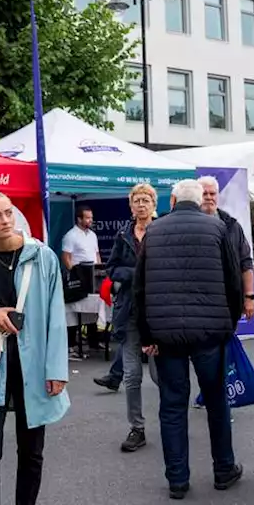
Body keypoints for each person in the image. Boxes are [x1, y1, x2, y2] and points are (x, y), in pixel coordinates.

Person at [0, 191, 69, 505]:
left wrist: (57, 369)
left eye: (8, 212)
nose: (6, 220)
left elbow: (56, 317)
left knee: (32, 452)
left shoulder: (42, 256)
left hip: (33, 365)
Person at [135, 179, 243, 500]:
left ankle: (177, 479)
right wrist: (230, 323)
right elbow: (233, 281)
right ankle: (224, 469)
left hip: (166, 336)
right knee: (216, 402)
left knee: (172, 406)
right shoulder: (218, 229)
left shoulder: (153, 231)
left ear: (171, 200)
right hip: (210, 333)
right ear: (199, 201)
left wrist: (146, 334)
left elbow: (139, 288)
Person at [94, 183, 161, 453]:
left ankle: (172, 420)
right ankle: (137, 427)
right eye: (137, 201)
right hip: (129, 312)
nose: (141, 205)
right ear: (131, 206)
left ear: (154, 204)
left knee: (160, 374)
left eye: (146, 200)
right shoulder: (123, 233)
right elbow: (112, 267)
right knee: (132, 375)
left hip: (158, 313)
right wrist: (135, 275)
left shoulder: (161, 231)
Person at [199, 177, 254, 324]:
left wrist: (249, 297)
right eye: (204, 194)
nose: (208, 197)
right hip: (198, 302)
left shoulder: (232, 226)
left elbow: (245, 262)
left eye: (212, 194)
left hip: (228, 301)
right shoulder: (187, 225)